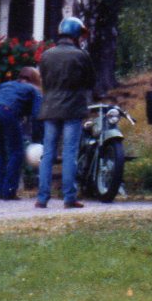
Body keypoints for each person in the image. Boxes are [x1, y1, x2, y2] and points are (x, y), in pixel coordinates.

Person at [36, 17, 96, 209]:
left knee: (48, 153)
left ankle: (42, 198)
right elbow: (90, 82)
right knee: (70, 152)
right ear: (76, 34)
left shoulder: (46, 55)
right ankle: (69, 197)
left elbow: (44, 79)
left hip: (50, 108)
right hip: (72, 108)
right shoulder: (81, 55)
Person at [0, 67, 42, 200]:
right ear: (34, 79)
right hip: (8, 111)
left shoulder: (5, 84)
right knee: (16, 152)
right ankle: (9, 192)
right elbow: (36, 115)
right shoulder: (34, 90)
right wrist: (37, 139)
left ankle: (0, 191)